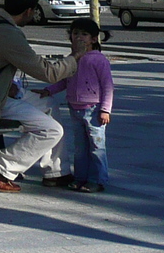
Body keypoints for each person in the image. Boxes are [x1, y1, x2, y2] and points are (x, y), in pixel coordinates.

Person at [0, 0, 78, 193]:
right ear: (28, 11)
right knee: (52, 130)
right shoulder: (8, 33)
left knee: (48, 102)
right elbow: (48, 73)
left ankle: (56, 172)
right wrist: (75, 58)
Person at [38, 18, 113, 193]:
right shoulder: (72, 59)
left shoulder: (98, 60)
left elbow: (108, 86)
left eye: (84, 34)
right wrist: (48, 91)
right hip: (75, 108)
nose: (79, 37)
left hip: (94, 110)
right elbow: (64, 81)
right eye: (75, 33)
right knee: (80, 148)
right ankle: (80, 178)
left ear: (94, 39)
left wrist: (105, 110)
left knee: (96, 146)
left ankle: (97, 180)